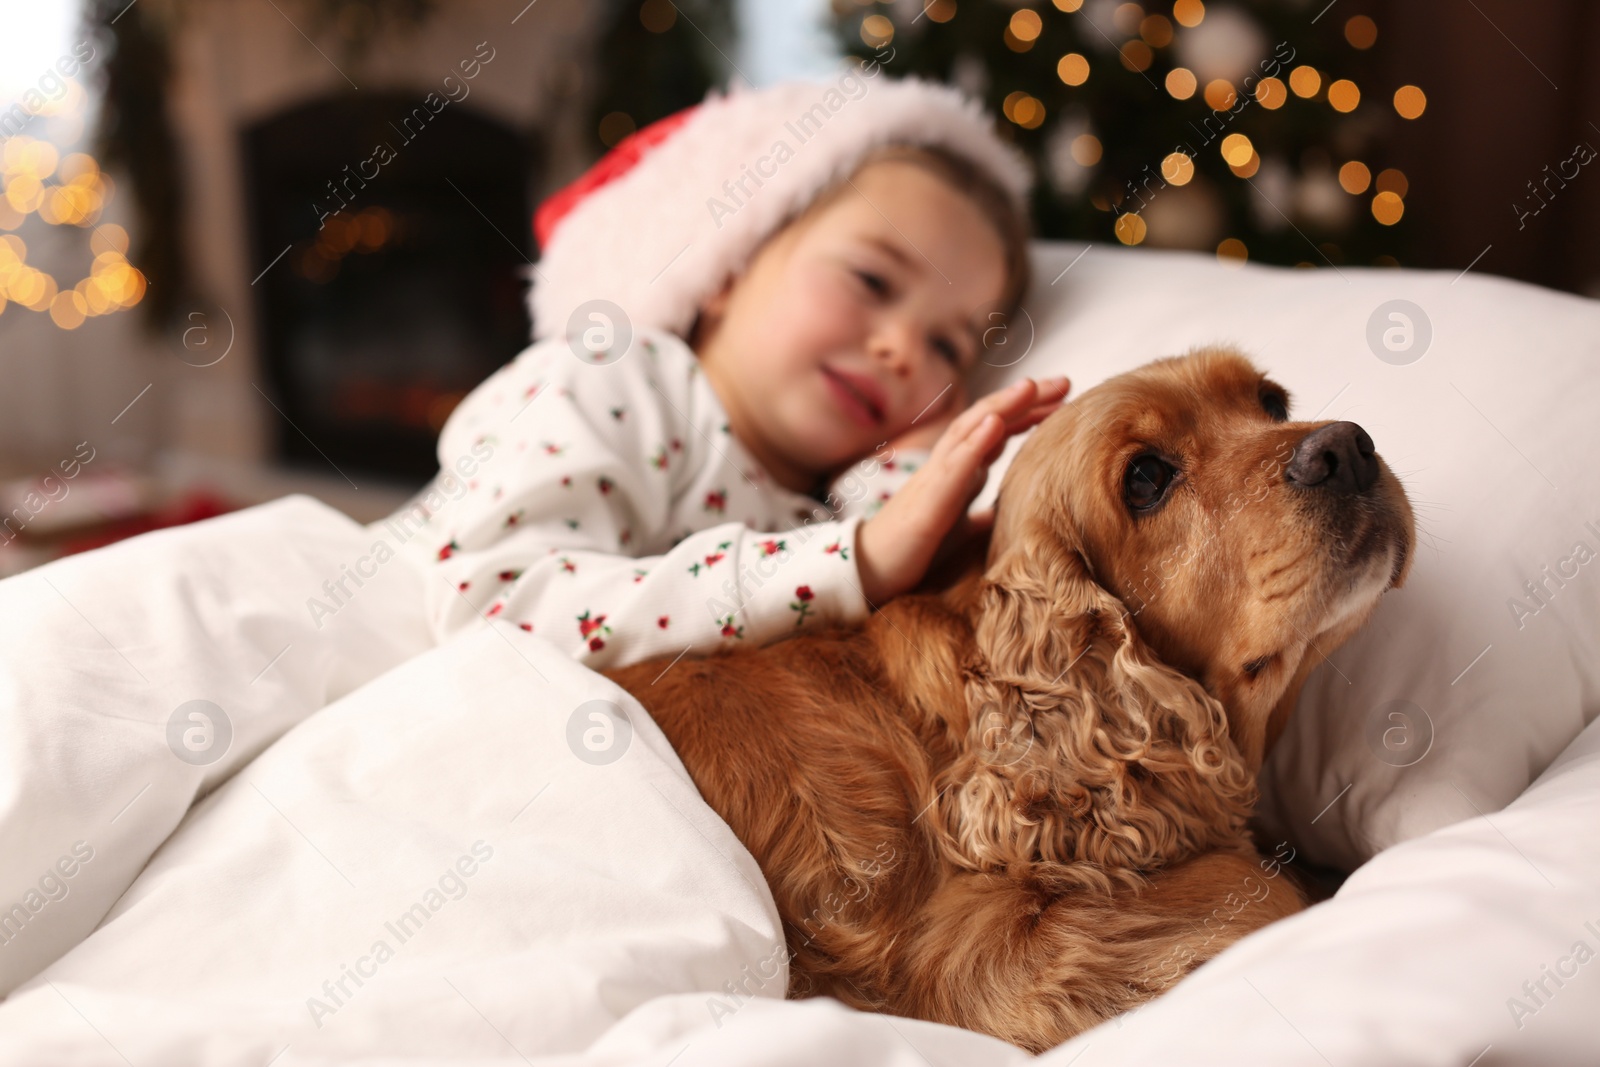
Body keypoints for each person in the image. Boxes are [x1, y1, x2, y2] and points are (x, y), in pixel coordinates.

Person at [390, 75, 1070, 668]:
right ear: (728, 269)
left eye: (948, 347)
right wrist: (850, 561)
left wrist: (909, 481)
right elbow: (499, 610)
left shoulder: (819, 509)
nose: (903, 349)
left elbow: (877, 599)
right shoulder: (615, 378)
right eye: (870, 278)